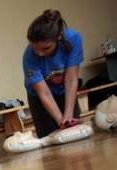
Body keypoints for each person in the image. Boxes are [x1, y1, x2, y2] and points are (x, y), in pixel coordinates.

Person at [23, 9, 83, 137]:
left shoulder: (73, 39)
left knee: (74, 133)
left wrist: (68, 116)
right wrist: (61, 122)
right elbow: (44, 93)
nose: (39, 53)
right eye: (35, 48)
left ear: (59, 36)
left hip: (65, 91)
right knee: (50, 138)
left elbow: (71, 79)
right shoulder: (29, 57)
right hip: (40, 98)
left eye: (46, 48)